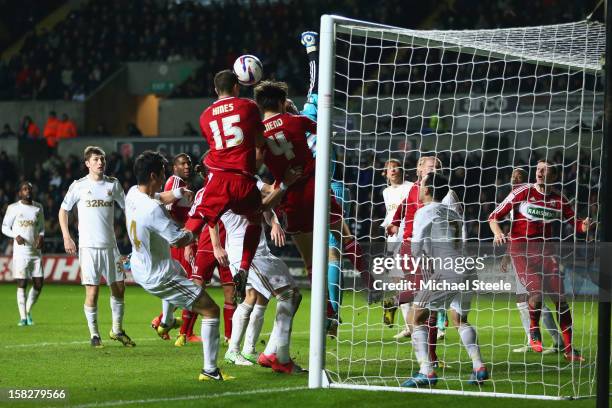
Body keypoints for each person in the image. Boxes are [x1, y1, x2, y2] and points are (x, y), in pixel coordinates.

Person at [125, 150, 230, 381]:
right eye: (162, 173)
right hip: (159, 275)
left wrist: (177, 193)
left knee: (183, 271)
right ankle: (210, 370)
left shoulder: (133, 193)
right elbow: (180, 239)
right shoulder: (152, 211)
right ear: (154, 175)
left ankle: (167, 321)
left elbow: (158, 197)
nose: (165, 176)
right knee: (211, 310)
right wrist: (201, 219)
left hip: (143, 264)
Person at [488, 160, 591, 362]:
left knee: (561, 301)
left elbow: (576, 224)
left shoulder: (559, 200)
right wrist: (499, 233)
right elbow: (493, 216)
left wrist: (584, 226)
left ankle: (570, 350)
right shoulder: (522, 192)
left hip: (545, 253)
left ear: (554, 177)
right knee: (535, 293)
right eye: (538, 169)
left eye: (545, 170)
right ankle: (534, 331)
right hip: (522, 252)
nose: (540, 173)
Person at [185, 69, 268, 297]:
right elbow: (261, 141)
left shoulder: (204, 116)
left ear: (215, 90)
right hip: (244, 179)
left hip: (218, 179)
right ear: (236, 87)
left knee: (199, 219)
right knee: (255, 219)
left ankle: (180, 240)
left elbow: (215, 145)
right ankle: (243, 267)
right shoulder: (249, 107)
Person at [402, 172, 488, 388]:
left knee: (415, 317)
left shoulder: (425, 211)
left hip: (448, 270)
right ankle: (479, 366)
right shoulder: (452, 213)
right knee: (459, 319)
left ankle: (426, 371)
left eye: (421, 185)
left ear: (428, 190)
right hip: (467, 268)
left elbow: (415, 247)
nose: (419, 188)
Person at [58, 146, 134, 348]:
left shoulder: (113, 184)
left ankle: (117, 330)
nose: (100, 163)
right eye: (96, 159)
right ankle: (94, 335)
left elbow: (128, 209)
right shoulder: (79, 186)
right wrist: (67, 237)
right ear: (87, 163)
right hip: (88, 247)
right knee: (92, 292)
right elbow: (63, 211)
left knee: (119, 288)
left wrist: (133, 233)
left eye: (102, 159)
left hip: (111, 246)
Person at [503, 168, 565, 354]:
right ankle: (534, 338)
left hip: (533, 255)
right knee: (522, 299)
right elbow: (514, 233)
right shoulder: (514, 199)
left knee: (533, 297)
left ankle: (555, 340)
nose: (515, 178)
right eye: (513, 175)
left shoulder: (526, 198)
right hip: (519, 253)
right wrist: (508, 255)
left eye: (519, 175)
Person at [150, 153, 202, 347]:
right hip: (181, 241)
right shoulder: (175, 181)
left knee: (187, 284)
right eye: (182, 163)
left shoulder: (187, 186)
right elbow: (167, 212)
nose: (187, 165)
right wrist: (187, 238)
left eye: (189, 162)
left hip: (185, 239)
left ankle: (163, 320)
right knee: (194, 285)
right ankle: (185, 332)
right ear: (174, 168)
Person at [1, 181, 45, 326]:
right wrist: (15, 235)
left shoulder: (38, 207)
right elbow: (4, 227)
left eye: (30, 189)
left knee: (39, 284)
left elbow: (41, 227)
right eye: (25, 189)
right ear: (20, 192)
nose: (28, 191)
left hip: (35, 251)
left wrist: (41, 236)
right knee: (22, 283)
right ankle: (23, 318)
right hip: (21, 252)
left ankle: (27, 310)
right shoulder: (13, 208)